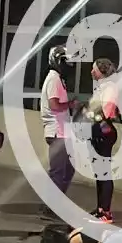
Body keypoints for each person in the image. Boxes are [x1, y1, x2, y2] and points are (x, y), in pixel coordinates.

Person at [41, 45, 75, 216]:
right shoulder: (54, 79)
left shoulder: (58, 78)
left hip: (62, 131)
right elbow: (54, 105)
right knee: (59, 171)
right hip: (56, 132)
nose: (68, 64)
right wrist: (71, 104)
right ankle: (52, 207)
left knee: (67, 169)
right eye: (64, 60)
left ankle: (54, 203)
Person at [85, 57, 119, 222]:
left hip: (104, 130)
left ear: (101, 71)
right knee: (99, 172)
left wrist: (91, 114)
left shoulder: (110, 87)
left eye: (94, 69)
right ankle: (100, 208)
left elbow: (105, 111)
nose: (92, 72)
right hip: (98, 129)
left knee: (104, 172)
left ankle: (106, 211)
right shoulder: (102, 87)